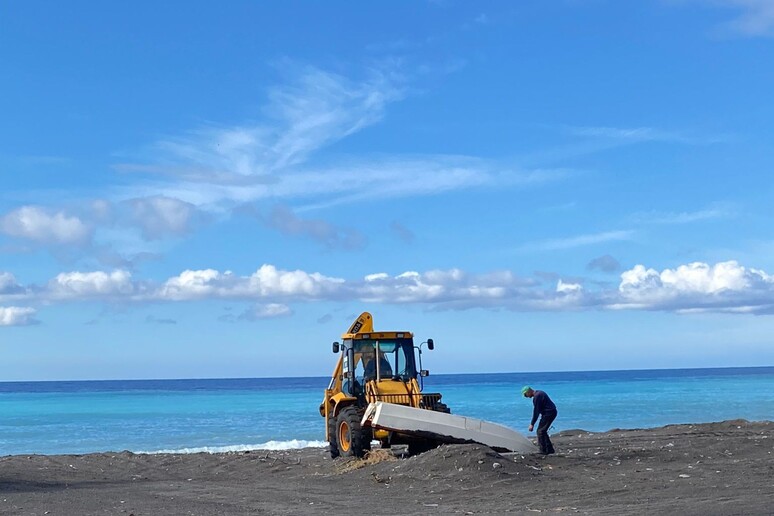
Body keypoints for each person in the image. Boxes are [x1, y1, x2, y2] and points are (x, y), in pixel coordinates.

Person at [521, 386, 557, 455]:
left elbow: (536, 411)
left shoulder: (537, 396)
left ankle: (543, 450)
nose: (526, 397)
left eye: (526, 395)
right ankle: (549, 449)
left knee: (540, 431)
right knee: (543, 431)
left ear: (529, 392)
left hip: (549, 413)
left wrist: (532, 424)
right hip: (551, 412)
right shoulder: (539, 393)